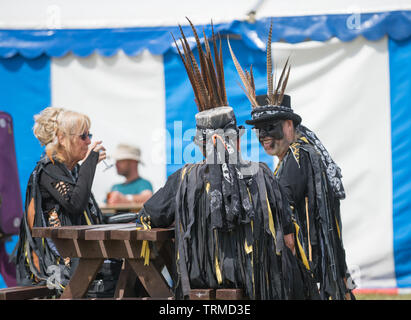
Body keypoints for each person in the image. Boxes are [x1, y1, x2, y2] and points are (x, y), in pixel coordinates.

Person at [136, 20, 319, 300]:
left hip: (201, 278)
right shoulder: (263, 175)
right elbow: (289, 240)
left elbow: (149, 216)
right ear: (235, 139)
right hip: (261, 284)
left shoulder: (184, 179)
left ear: (203, 143)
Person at [229, 22, 355, 300]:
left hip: (310, 273)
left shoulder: (297, 158)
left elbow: (282, 208)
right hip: (321, 269)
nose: (263, 137)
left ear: (289, 125)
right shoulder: (306, 149)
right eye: (259, 130)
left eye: (270, 128)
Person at [14, 107, 121, 296]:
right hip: (58, 269)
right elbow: (75, 203)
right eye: (83, 136)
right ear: (63, 139)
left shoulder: (70, 171)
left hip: (78, 258)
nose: (89, 141)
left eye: (89, 135)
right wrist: (89, 163)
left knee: (129, 270)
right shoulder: (49, 169)